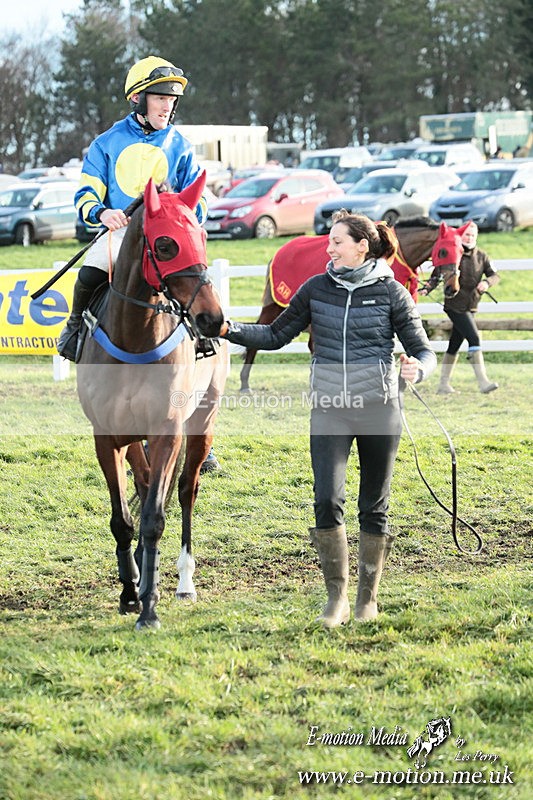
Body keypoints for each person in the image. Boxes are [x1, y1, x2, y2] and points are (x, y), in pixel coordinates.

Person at [220, 211, 437, 628]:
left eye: (337, 241)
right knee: (326, 499)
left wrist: (418, 369)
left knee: (374, 506)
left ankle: (367, 600)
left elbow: (423, 349)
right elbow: (274, 335)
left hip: (379, 409)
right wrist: (227, 328)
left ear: (362, 246)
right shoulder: (316, 288)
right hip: (329, 409)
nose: (329, 247)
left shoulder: (392, 293)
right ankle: (336, 599)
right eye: (330, 241)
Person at [57, 55, 208, 362]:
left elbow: (200, 198)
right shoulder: (105, 143)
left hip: (167, 237)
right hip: (120, 233)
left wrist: (188, 217)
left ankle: (204, 335)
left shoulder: (181, 146)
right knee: (89, 274)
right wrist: (102, 213)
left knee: (198, 277)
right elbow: (87, 193)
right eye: (161, 98)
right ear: (138, 99)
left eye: (172, 100)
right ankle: (74, 327)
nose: (168, 107)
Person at [422, 221, 500, 394]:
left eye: (473, 235)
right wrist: (427, 288)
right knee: (474, 338)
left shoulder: (482, 256)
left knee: (455, 344)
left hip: (471, 306)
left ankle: (443, 385)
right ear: (461, 235)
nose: (469, 238)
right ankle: (483, 382)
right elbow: (436, 275)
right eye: (467, 235)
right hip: (455, 306)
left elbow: (495, 275)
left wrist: (487, 283)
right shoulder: (453, 253)